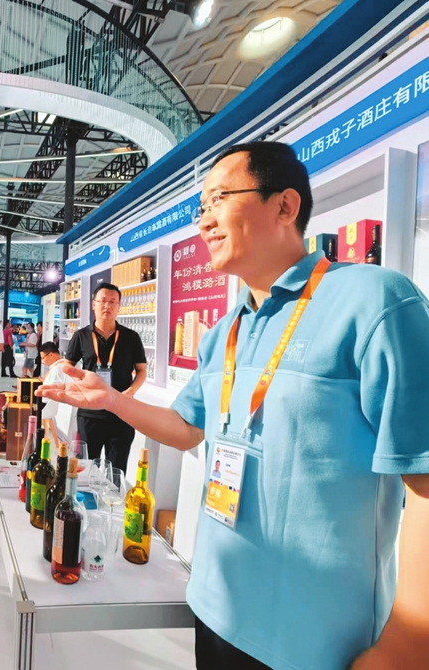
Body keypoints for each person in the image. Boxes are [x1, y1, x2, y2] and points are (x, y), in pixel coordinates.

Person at [38, 141, 429, 669]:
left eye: (219, 199)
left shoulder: (375, 302)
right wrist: (110, 399)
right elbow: (186, 426)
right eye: (200, 208)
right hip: (215, 608)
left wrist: (410, 640)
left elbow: (424, 475)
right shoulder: (225, 332)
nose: (204, 221)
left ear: (284, 206)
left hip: (317, 640)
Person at [64, 283, 146, 472]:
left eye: (112, 302)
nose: (107, 306)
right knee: (87, 467)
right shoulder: (81, 336)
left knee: (117, 469)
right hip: (90, 413)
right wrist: (81, 385)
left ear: (119, 306)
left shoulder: (131, 337)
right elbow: (68, 366)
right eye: (102, 301)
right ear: (94, 305)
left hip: (121, 412)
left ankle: (112, 493)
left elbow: (141, 371)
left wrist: (130, 392)